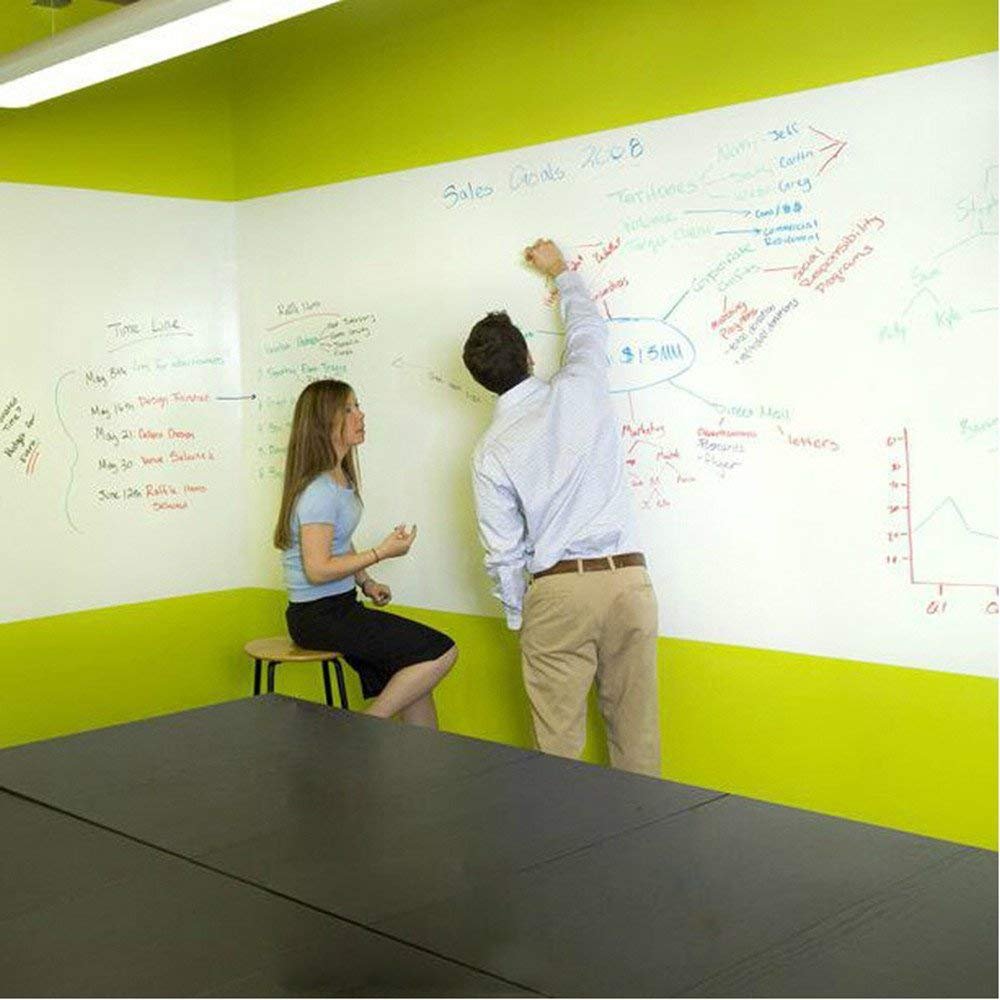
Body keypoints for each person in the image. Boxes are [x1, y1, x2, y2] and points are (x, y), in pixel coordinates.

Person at [462, 239, 661, 776]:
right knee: (638, 744)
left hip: (556, 590)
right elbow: (588, 331)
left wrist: (520, 617)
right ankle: (645, 854)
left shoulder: (490, 451)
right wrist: (560, 273)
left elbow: (502, 552)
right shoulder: (580, 388)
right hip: (627, 580)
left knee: (558, 758)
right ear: (528, 354)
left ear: (482, 382)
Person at [274, 379, 456, 727]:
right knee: (440, 651)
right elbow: (317, 569)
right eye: (348, 409)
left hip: (339, 607)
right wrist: (380, 553)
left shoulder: (340, 479)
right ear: (325, 422)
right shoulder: (319, 491)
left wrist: (366, 581)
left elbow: (338, 542)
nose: (360, 415)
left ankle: (425, 772)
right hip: (317, 616)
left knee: (415, 679)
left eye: (358, 405)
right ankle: (362, 728)